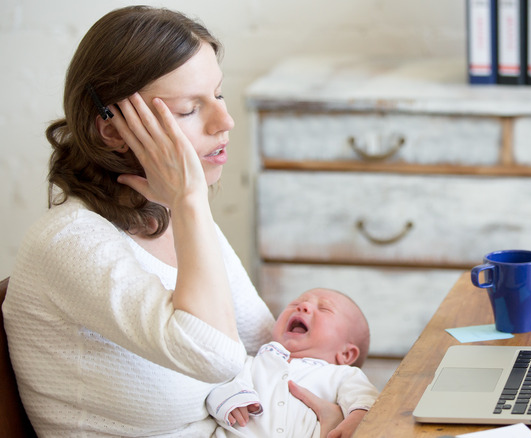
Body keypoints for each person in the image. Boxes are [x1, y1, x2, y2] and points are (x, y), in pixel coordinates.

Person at [2, 6, 346, 437]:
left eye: (217, 95)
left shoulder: (167, 217)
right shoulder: (70, 242)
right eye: (188, 109)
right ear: (113, 131)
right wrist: (189, 203)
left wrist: (340, 409)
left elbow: (264, 348)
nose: (225, 121)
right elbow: (218, 356)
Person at [206, 288, 379, 438]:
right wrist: (228, 400)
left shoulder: (343, 375)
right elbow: (215, 388)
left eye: (324, 308)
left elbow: (366, 400)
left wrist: (357, 419)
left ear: (346, 354)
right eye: (295, 303)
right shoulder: (252, 363)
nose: (303, 306)